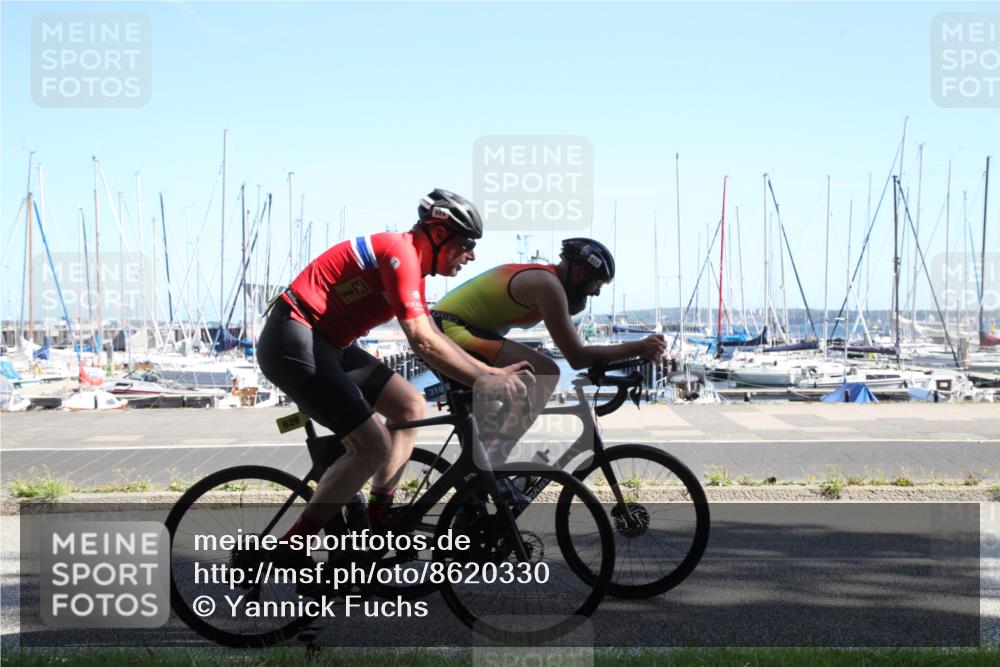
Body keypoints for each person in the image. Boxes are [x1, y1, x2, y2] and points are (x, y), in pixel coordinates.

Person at [257, 189, 532, 559]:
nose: (472, 255)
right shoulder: (399, 254)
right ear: (437, 234)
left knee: (411, 405)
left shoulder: (413, 268)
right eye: (466, 243)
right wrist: (486, 380)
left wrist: (487, 371)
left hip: (329, 344)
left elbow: (432, 334)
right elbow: (421, 341)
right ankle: (291, 548)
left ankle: (375, 522)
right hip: (294, 341)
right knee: (373, 444)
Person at [431, 237, 665, 466]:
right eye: (598, 284)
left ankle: (480, 485)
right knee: (546, 371)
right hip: (450, 328)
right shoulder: (547, 285)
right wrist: (637, 347)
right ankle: (494, 469)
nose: (596, 293)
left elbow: (575, 345)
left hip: (451, 327)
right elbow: (576, 356)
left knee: (489, 434)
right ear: (581, 274)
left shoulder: (547, 280)